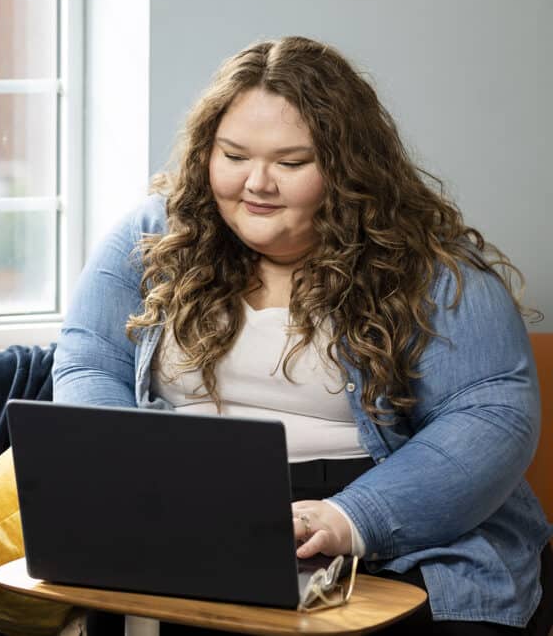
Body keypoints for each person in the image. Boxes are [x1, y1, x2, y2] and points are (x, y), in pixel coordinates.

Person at [53, 36, 553, 635]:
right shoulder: (153, 235)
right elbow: (88, 361)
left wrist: (352, 518)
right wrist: (133, 476)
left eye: (291, 164)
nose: (257, 183)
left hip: (386, 515)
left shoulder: (433, 270)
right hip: (188, 510)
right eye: (234, 156)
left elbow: (493, 417)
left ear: (347, 168)